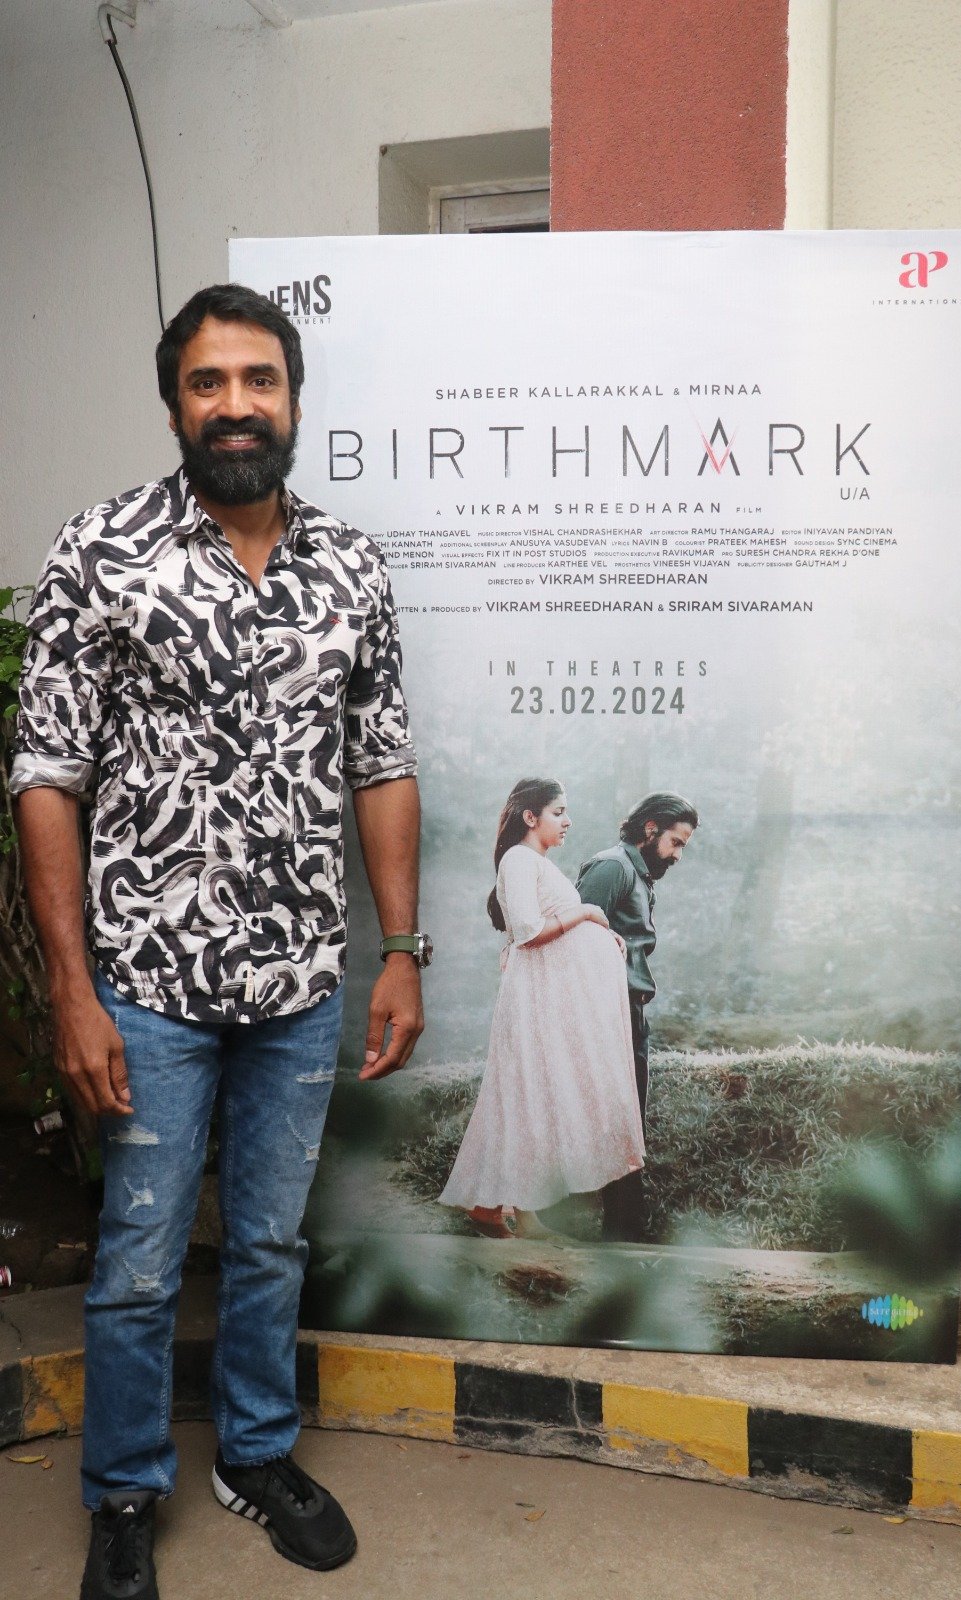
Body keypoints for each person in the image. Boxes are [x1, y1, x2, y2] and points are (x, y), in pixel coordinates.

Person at [11, 283, 430, 1600]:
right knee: (139, 1263)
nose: (235, 404)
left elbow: (381, 762)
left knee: (267, 1244)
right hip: (146, 984)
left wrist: (403, 948)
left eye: (259, 379)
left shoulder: (350, 566)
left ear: (293, 400)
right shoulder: (102, 551)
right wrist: (71, 991)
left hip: (299, 982)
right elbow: (47, 777)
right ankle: (126, 1491)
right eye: (209, 382)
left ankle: (255, 1454)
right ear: (174, 405)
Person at [438, 778, 644, 1239]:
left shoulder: (536, 863)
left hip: (545, 1001)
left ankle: (515, 1210)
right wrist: (587, 913)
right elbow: (530, 930)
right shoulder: (518, 859)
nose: (568, 821)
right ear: (530, 817)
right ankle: (496, 1209)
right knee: (525, 1094)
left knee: (533, 1096)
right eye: (558, 811)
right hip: (534, 1003)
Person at [576, 792, 698, 1242]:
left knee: (628, 1121)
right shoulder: (612, 868)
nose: (678, 855)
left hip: (628, 1010)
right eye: (675, 842)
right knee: (611, 1118)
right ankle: (620, 1232)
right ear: (650, 829)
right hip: (605, 1010)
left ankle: (624, 1230)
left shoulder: (640, 873)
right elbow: (572, 941)